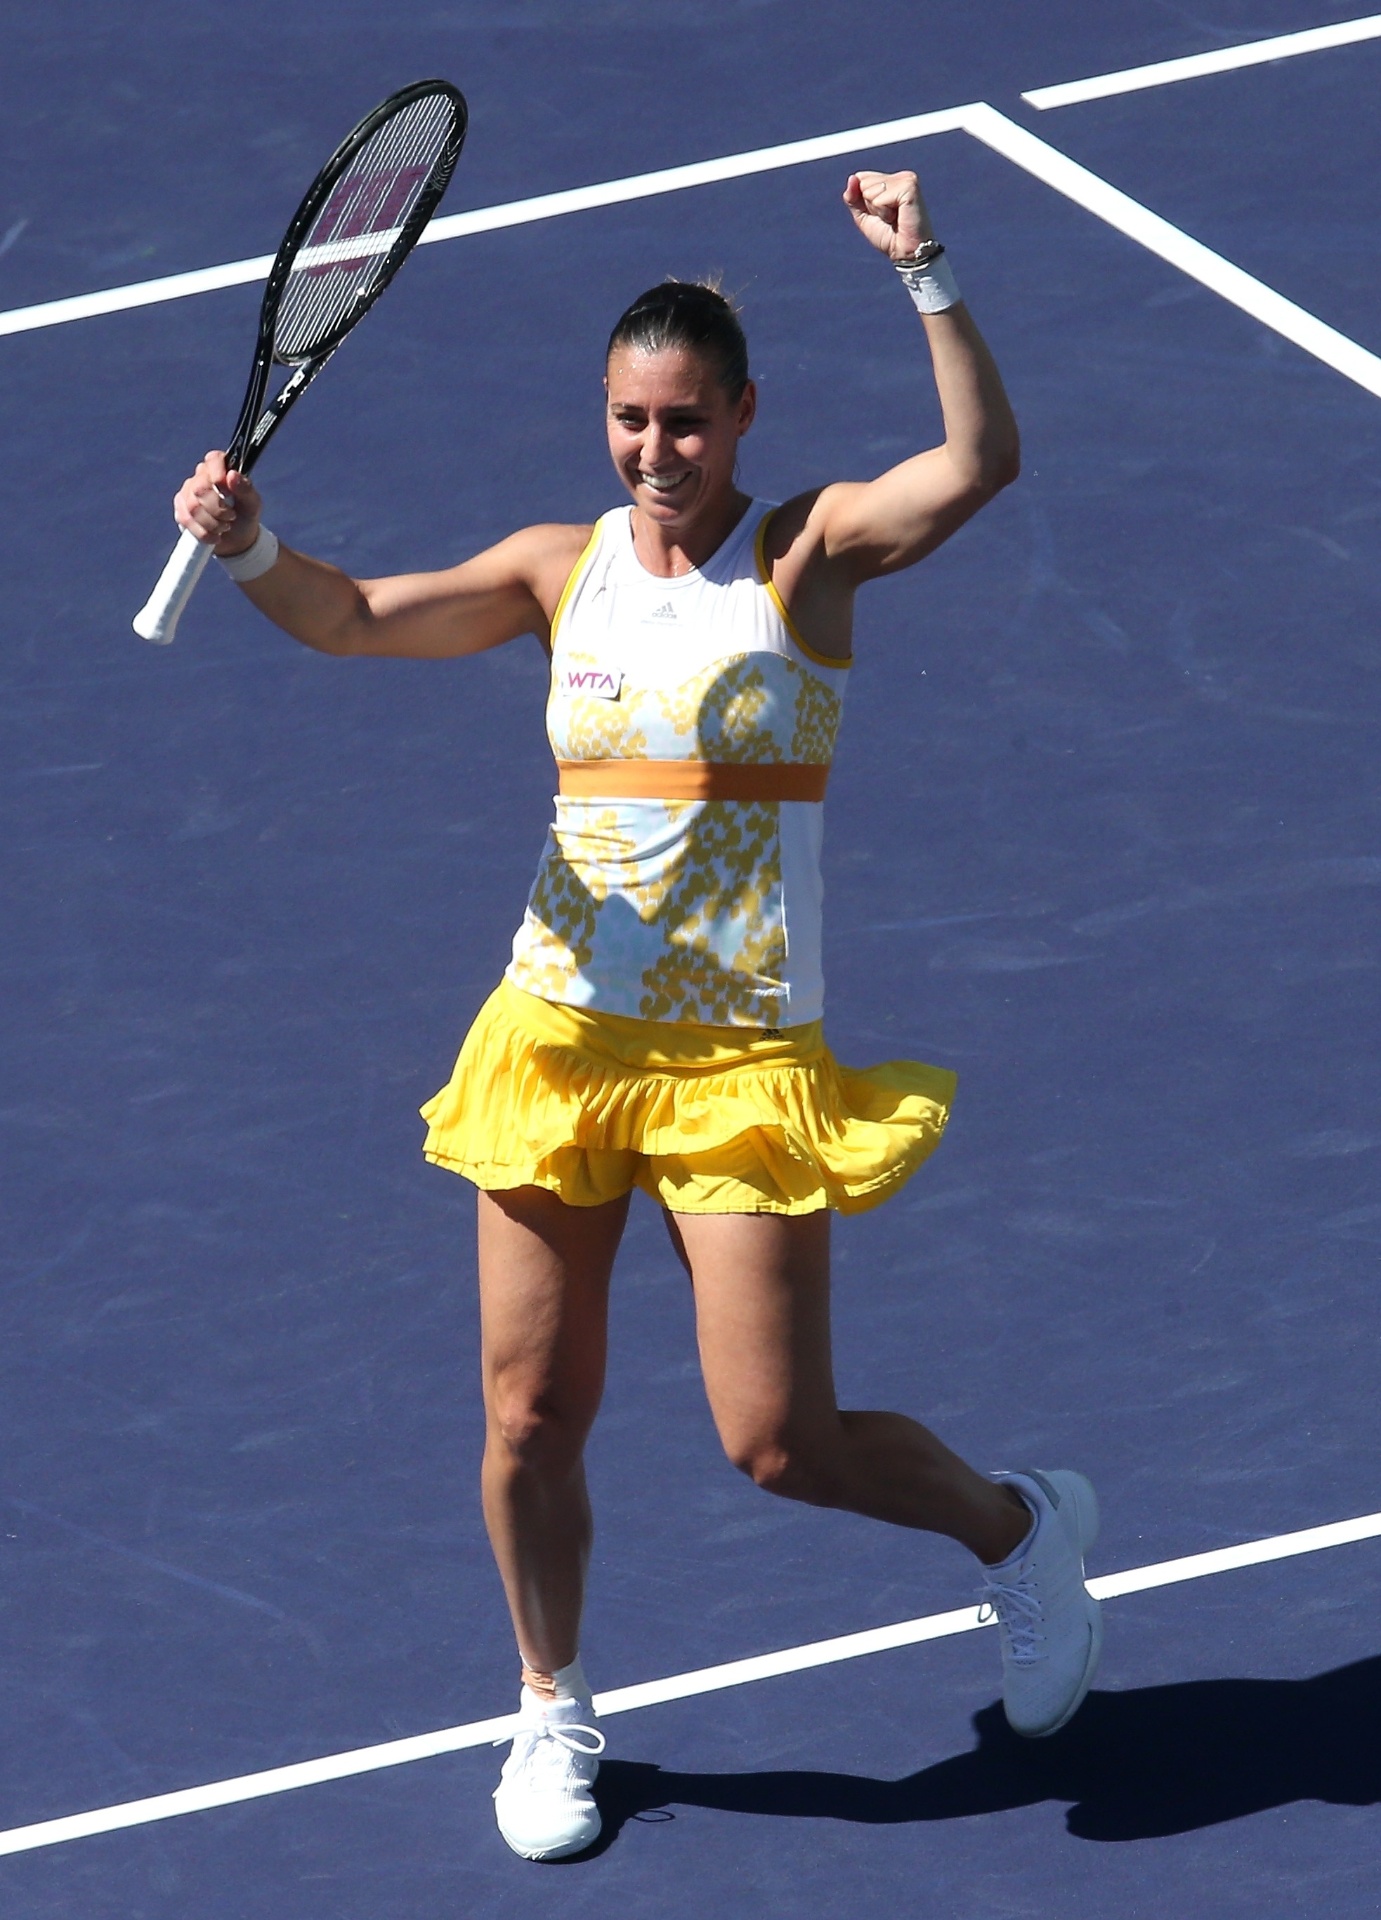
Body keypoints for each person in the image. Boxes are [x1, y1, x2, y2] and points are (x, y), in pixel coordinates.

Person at [171, 164, 1102, 1863]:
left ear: (742, 417)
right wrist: (249, 553)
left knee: (778, 1442)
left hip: (739, 1060)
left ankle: (1017, 1530)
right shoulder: (554, 570)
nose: (654, 451)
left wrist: (927, 272)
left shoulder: (802, 556)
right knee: (527, 1417)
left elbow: (977, 467)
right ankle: (551, 1706)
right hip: (559, 1046)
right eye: (627, 420)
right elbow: (354, 617)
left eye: (684, 421)